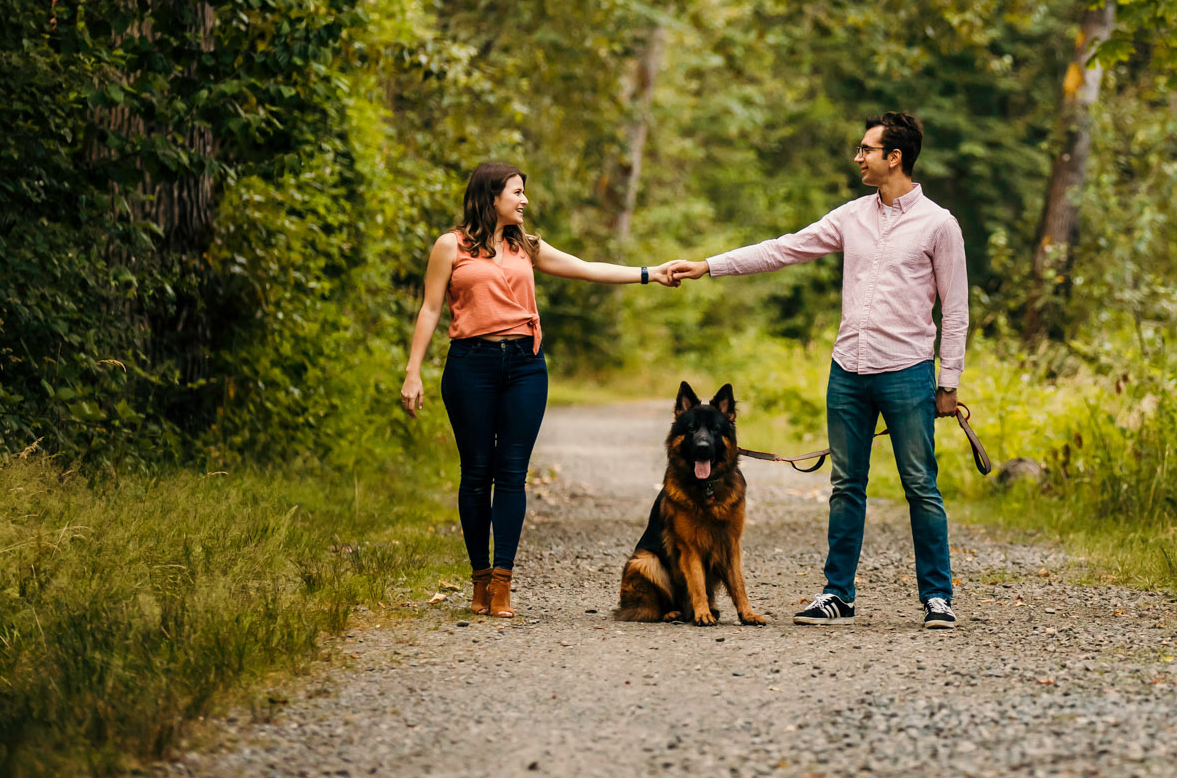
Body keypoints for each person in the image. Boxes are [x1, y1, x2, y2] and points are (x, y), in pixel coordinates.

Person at [661, 112, 968, 631]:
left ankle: (937, 596)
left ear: (894, 156)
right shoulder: (851, 216)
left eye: (866, 149)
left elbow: (955, 309)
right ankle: (837, 595)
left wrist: (948, 382)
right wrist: (709, 265)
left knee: (920, 484)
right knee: (847, 485)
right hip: (848, 371)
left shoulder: (939, 225)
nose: (858, 157)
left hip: (908, 371)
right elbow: (783, 249)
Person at [402, 161, 680, 618]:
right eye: (516, 192)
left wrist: (651, 273)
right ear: (490, 196)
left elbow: (588, 269)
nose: (524, 200)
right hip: (471, 365)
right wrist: (413, 372)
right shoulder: (450, 246)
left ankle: (502, 585)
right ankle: (478, 580)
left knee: (511, 472)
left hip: (526, 366)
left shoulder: (527, 247)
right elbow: (431, 309)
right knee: (475, 473)